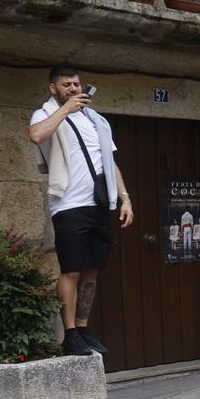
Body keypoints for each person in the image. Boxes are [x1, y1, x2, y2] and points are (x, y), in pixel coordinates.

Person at [28, 66, 133, 357]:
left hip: (99, 204)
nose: (74, 89)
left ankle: (84, 329)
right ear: (53, 88)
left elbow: (109, 163)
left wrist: (125, 198)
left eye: (76, 84)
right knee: (71, 270)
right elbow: (36, 136)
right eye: (67, 85)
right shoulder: (45, 114)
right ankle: (70, 333)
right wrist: (66, 110)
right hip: (69, 205)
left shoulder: (96, 121)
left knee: (92, 270)